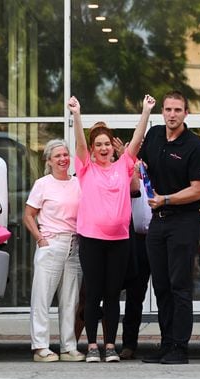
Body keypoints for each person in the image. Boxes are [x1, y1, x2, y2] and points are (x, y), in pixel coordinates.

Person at [68, 94, 155, 363]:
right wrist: (77, 114)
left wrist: (145, 112)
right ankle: (92, 344)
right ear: (93, 150)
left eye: (107, 144)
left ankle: (109, 345)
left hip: (119, 241)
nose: (104, 148)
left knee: (112, 295)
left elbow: (137, 141)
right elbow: (80, 143)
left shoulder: (122, 167)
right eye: (99, 145)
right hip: (92, 240)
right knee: (93, 294)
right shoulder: (85, 169)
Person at [139, 91, 200, 365]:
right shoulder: (155, 135)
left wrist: (166, 199)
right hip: (157, 223)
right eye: (168, 109)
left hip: (183, 222)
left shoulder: (195, 146)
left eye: (177, 110)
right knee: (161, 287)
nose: (172, 114)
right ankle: (166, 343)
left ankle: (180, 347)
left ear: (186, 113)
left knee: (180, 286)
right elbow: (142, 164)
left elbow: (198, 190)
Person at [23, 139, 84, 362]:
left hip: (74, 245)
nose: (63, 159)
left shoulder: (78, 183)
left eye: (66, 155)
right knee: (42, 298)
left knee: (70, 300)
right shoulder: (43, 184)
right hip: (51, 244)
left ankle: (68, 347)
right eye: (57, 156)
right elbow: (28, 215)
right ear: (48, 160)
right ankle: (40, 347)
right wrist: (40, 239)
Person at [119, 164, 153, 360]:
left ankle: (169, 341)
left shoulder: (166, 181)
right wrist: (131, 167)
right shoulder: (133, 182)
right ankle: (129, 344)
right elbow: (134, 189)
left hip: (160, 240)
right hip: (137, 241)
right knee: (134, 295)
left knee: (166, 292)